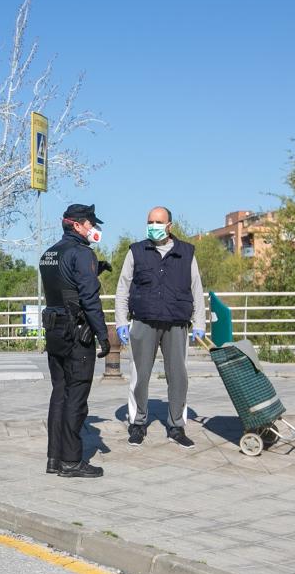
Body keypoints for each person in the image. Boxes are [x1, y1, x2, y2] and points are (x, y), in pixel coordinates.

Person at [113, 206, 206, 449]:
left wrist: (199, 322)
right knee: (139, 375)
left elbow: (196, 288)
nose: (154, 225)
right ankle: (137, 423)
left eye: (158, 221)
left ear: (170, 226)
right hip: (143, 321)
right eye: (150, 221)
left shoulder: (186, 252)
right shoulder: (137, 251)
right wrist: (122, 321)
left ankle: (176, 425)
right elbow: (123, 287)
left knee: (178, 376)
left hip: (176, 323)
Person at [39, 204, 111, 477]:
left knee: (59, 393)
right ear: (78, 225)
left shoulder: (50, 253)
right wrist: (102, 335)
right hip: (77, 333)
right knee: (76, 396)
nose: (94, 229)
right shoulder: (82, 253)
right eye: (91, 224)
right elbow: (89, 299)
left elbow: (64, 287)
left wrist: (95, 271)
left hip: (54, 330)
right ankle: (71, 461)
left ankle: (54, 459)